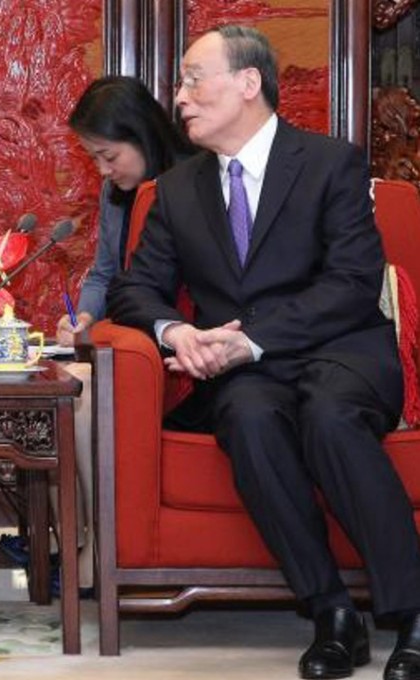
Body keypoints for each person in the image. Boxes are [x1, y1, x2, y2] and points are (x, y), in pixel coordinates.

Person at [107, 25, 420, 680]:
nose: (179, 97)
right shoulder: (176, 190)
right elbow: (135, 290)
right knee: (247, 417)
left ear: (248, 83)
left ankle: (412, 610)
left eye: (194, 79)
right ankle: (331, 612)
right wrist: (176, 333)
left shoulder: (331, 163)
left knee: (330, 416)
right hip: (246, 373)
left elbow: (351, 284)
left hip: (342, 349)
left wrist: (248, 339)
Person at [55, 76, 194, 346]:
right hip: (134, 341)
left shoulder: (192, 183)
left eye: (109, 157)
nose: (102, 170)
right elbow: (104, 274)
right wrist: (84, 317)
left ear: (143, 136)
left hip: (187, 340)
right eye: (94, 158)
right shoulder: (113, 192)